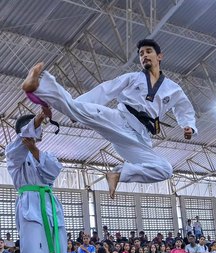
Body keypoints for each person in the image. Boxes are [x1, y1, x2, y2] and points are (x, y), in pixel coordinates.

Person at [22, 39, 197, 199]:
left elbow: (184, 107)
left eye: (148, 51)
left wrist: (188, 125)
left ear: (159, 56)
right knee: (76, 108)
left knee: (165, 170)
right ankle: (39, 84)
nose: (144, 56)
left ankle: (118, 174)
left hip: (140, 137)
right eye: (141, 54)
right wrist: (75, 111)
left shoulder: (174, 89)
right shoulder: (132, 78)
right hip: (119, 119)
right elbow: (106, 90)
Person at [5, 110, 81, 253]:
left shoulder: (45, 155)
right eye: (35, 128)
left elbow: (53, 172)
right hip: (30, 205)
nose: (38, 133)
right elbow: (22, 146)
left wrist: (35, 149)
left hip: (50, 206)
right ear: (24, 132)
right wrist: (38, 118)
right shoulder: (13, 152)